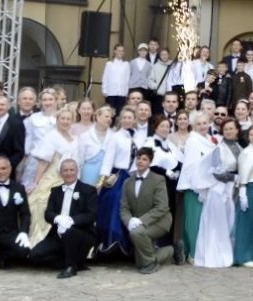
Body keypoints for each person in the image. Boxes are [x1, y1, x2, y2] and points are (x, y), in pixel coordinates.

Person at [29, 159, 97, 279]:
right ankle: (74, 262)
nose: (68, 173)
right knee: (35, 255)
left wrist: (72, 221)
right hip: (59, 234)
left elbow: (91, 215)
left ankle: (70, 267)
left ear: (77, 171)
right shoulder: (55, 191)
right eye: (65, 170)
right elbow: (48, 214)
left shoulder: (88, 190)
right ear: (61, 173)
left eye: (71, 170)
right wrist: (58, 218)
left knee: (70, 232)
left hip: (81, 233)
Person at [27, 104, 79, 243]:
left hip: (71, 177)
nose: (65, 121)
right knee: (41, 203)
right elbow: (43, 162)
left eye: (68, 119)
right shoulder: (51, 136)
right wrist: (36, 182)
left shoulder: (75, 138)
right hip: (53, 176)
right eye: (63, 118)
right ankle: (39, 240)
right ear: (57, 119)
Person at [120, 146, 174, 274]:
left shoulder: (158, 179)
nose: (140, 161)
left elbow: (162, 207)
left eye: (144, 159)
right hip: (138, 223)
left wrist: (141, 221)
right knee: (140, 262)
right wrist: (129, 221)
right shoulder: (127, 181)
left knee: (136, 233)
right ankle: (172, 251)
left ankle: (150, 263)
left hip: (160, 221)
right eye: (138, 158)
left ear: (150, 162)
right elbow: (124, 207)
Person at [195, 118, 241, 268]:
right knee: (217, 224)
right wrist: (233, 177)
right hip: (218, 190)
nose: (228, 131)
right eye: (226, 129)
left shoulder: (239, 147)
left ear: (237, 130)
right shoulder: (218, 149)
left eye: (231, 128)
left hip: (232, 189)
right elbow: (215, 172)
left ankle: (228, 253)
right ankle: (215, 256)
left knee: (229, 222)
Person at [96, 105, 137, 257]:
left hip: (133, 177)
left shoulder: (137, 137)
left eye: (130, 118)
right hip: (118, 176)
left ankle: (130, 246)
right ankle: (114, 243)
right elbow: (108, 160)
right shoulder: (115, 137)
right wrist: (101, 181)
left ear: (134, 120)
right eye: (124, 117)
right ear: (120, 119)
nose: (127, 120)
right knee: (115, 207)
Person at [176, 110, 215, 263]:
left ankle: (198, 250)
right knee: (194, 220)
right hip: (194, 187)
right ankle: (192, 252)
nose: (202, 126)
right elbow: (191, 166)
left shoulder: (210, 140)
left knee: (203, 220)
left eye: (205, 123)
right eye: (199, 124)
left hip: (207, 185)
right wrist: (198, 187)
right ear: (194, 126)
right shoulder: (193, 141)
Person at [233, 122, 253, 267]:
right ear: (248, 136)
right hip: (249, 188)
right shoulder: (245, 153)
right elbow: (243, 172)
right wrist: (243, 192)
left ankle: (251, 255)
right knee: (246, 223)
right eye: (252, 134)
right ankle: (243, 257)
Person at [102, 43, 130, 112]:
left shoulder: (126, 64)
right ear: (115, 51)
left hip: (122, 93)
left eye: (122, 51)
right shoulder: (109, 64)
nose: (121, 52)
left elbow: (127, 79)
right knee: (110, 111)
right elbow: (105, 77)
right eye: (119, 50)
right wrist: (104, 90)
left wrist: (126, 91)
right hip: (111, 92)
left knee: (120, 111)